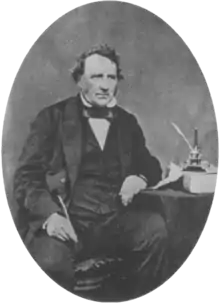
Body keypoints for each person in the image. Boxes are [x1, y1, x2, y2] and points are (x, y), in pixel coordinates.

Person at [13, 44, 168, 296]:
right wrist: (50, 216)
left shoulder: (127, 122)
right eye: (97, 76)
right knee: (51, 262)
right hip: (67, 220)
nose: (105, 85)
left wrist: (138, 178)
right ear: (79, 80)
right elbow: (25, 177)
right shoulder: (52, 118)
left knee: (155, 230)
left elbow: (150, 164)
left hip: (113, 221)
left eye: (111, 77)